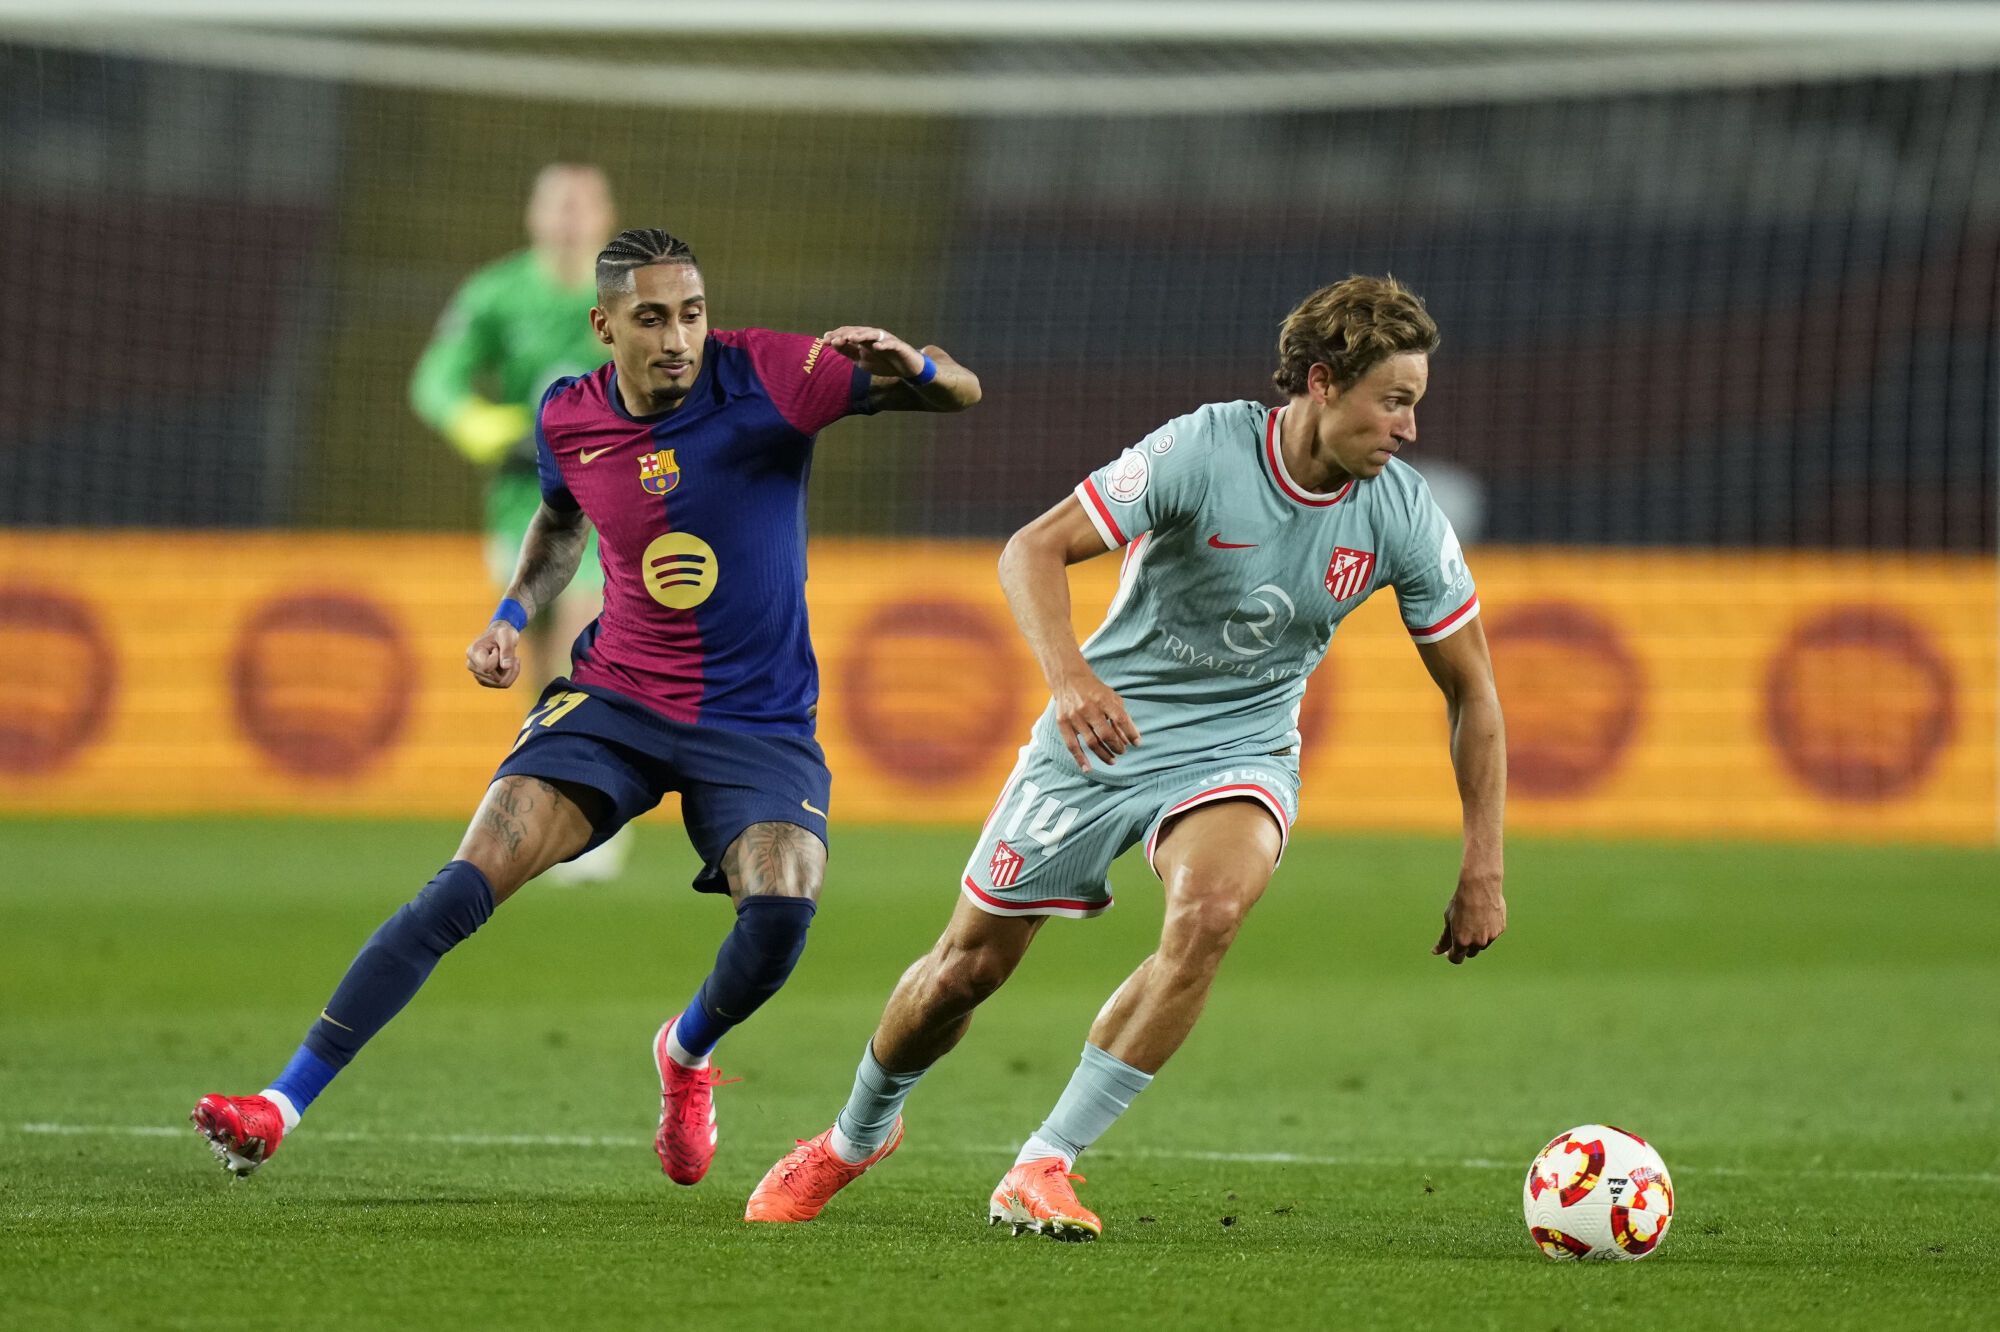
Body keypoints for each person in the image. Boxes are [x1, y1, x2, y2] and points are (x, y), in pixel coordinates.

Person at [193, 228, 982, 1187]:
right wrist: (511, 615)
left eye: (691, 313)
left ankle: (686, 1056)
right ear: (604, 326)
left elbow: (957, 394)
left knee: (780, 913)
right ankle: (278, 1105)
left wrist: (925, 365)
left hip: (758, 722)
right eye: (652, 318)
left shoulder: (772, 371)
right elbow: (561, 518)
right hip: (617, 698)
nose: (678, 338)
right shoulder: (568, 416)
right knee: (462, 881)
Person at [744, 276, 1506, 1240]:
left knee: (1213, 910)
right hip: (1101, 733)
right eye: (1393, 401)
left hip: (1240, 746)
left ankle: (1045, 1161)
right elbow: (1031, 549)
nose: (1408, 428)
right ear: (1322, 383)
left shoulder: (1400, 513)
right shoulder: (1205, 450)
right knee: (964, 971)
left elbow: (1473, 691)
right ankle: (854, 1138)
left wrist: (1483, 863)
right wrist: (1069, 680)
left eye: (1415, 405)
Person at [410, 163, 629, 883]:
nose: (568, 218)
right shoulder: (495, 294)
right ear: (534, 216)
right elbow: (435, 379)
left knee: (581, 630)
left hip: (610, 499)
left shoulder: (631, 297)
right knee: (531, 659)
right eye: (557, 205)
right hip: (522, 501)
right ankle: (543, 799)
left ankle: (586, 814)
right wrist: (480, 425)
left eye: (581, 205)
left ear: (603, 216)